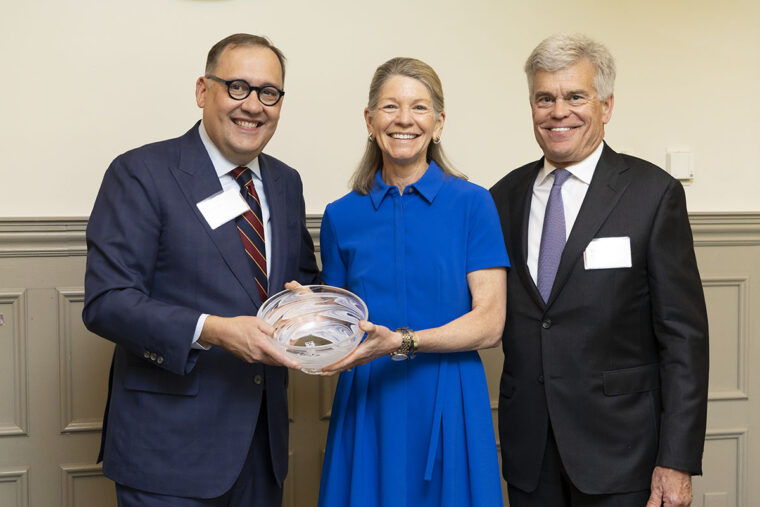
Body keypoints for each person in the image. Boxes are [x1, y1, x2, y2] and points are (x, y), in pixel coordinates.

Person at [82, 33, 319, 506]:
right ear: (201, 91)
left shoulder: (285, 182)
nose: (253, 105)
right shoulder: (141, 173)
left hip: (261, 450)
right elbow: (106, 303)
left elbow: (300, 278)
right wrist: (212, 330)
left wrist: (309, 305)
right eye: (237, 87)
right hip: (168, 454)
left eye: (268, 93)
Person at [490, 33, 709, 507]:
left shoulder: (654, 194)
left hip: (623, 454)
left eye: (575, 97)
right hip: (531, 451)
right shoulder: (502, 196)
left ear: (606, 107)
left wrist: (677, 460)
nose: (557, 111)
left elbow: (684, 339)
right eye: (544, 98)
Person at [316, 57, 509, 507]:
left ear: (438, 124)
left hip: (450, 394)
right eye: (390, 107)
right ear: (369, 121)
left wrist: (402, 341)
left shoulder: (474, 205)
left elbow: (491, 322)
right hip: (369, 399)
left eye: (419, 108)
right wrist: (310, 316)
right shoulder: (341, 216)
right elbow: (340, 331)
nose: (404, 119)